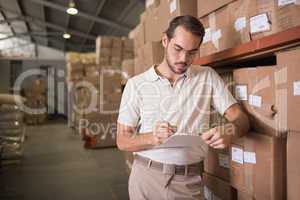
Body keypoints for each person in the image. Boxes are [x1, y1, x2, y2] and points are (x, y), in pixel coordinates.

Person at [117, 15, 249, 200]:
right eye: (177, 49)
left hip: (187, 181)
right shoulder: (136, 84)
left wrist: (231, 131)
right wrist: (153, 137)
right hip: (146, 178)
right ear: (165, 40)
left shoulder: (207, 77)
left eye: (192, 52)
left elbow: (241, 118)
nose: (183, 59)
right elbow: (122, 140)